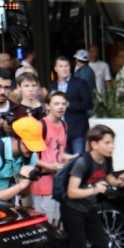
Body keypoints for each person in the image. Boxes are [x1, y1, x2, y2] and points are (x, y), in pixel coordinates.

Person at [60, 124, 124, 248]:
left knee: (101, 245)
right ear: (94, 144)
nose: (111, 146)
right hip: (72, 210)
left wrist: (119, 182)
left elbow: (109, 178)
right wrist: (93, 190)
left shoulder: (105, 160)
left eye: (112, 142)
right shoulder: (82, 163)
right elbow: (72, 192)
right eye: (107, 143)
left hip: (89, 208)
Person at [30, 91, 74, 223]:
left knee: (57, 219)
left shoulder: (64, 125)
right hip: (42, 180)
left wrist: (73, 158)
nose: (61, 107)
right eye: (56, 104)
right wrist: (49, 166)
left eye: (63, 104)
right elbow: (29, 156)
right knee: (44, 221)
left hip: (58, 180)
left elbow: (59, 151)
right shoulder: (40, 125)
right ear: (48, 106)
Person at [50, 54, 93, 154]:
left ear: (70, 67)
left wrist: (69, 105)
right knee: (64, 163)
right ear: (55, 69)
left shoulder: (80, 83)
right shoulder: (52, 86)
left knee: (79, 160)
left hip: (77, 130)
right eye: (61, 66)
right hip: (59, 130)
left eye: (66, 66)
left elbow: (88, 104)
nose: (64, 69)